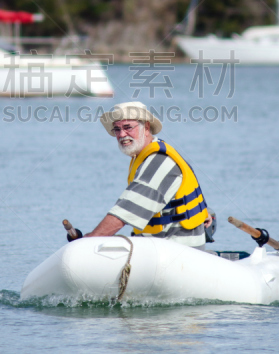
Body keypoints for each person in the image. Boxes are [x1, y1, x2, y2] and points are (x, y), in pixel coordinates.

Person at [79, 101, 210, 249]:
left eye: (128, 127)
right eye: (117, 129)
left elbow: (126, 211)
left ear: (146, 127)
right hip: (163, 248)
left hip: (177, 251)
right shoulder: (150, 154)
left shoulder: (158, 161)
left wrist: (90, 240)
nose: (122, 134)